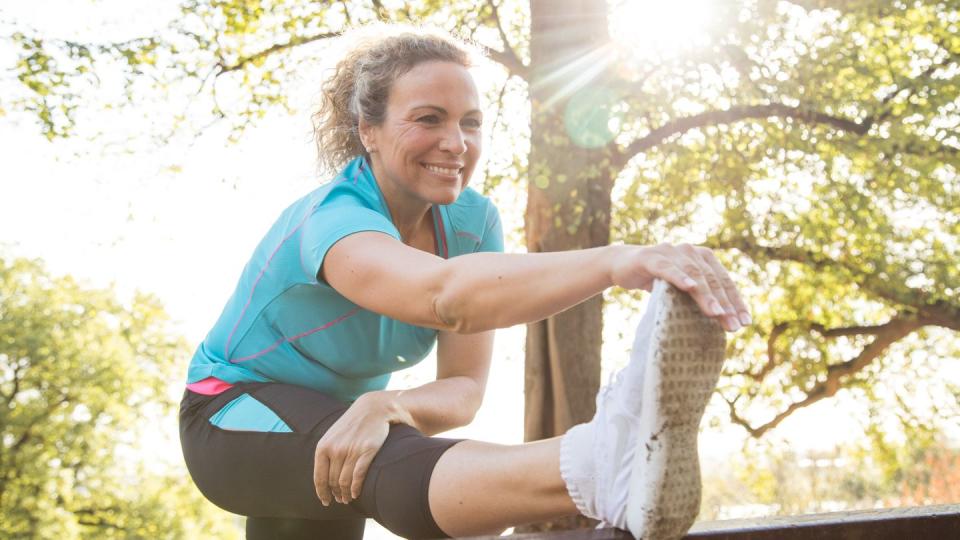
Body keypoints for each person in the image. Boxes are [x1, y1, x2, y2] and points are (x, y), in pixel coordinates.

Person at [178, 24, 750, 540]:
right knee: (390, 466)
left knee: (381, 452)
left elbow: (463, 391)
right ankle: (597, 464)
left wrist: (389, 403)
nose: (456, 143)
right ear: (368, 131)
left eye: (470, 122)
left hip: (343, 420)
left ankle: (605, 461)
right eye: (428, 118)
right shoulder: (333, 219)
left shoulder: (473, 223)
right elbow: (445, 297)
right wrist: (615, 262)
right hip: (228, 413)